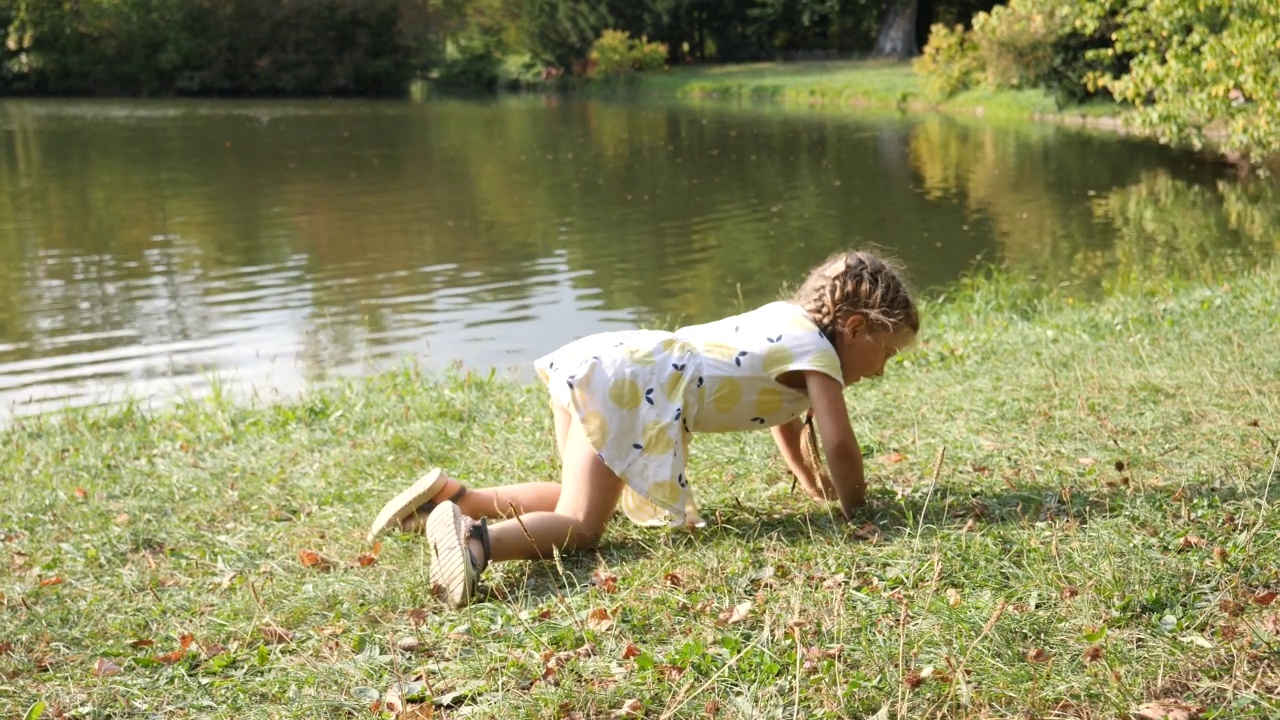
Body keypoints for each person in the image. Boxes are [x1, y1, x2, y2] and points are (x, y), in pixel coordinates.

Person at [367, 250, 920, 607]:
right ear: (854, 328)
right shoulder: (820, 356)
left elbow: (786, 422)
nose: (882, 368)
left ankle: (451, 498)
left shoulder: (788, 323)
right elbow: (840, 444)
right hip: (636, 385)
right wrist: (857, 510)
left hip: (614, 360)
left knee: (577, 500)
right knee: (582, 526)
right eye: (886, 353)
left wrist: (805, 478)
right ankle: (476, 541)